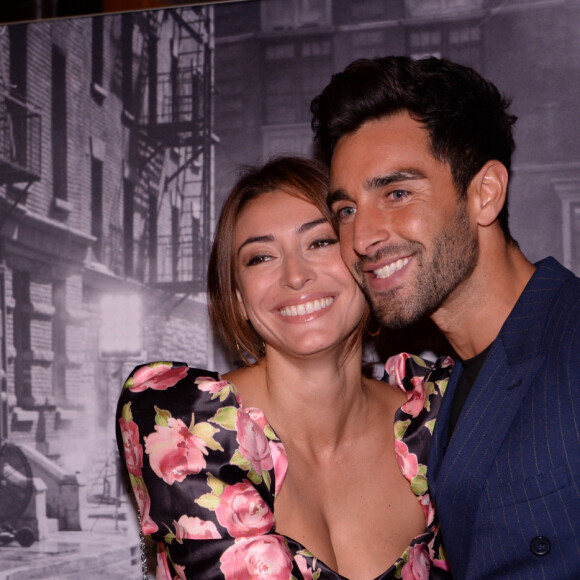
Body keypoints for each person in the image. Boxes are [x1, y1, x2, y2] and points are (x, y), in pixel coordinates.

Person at [116, 156, 453, 579]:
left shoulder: (437, 416)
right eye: (260, 258)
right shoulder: (185, 426)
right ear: (238, 298)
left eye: (320, 242)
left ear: (368, 261)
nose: (295, 275)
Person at [311, 56, 580, 579]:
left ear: (485, 194)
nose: (361, 238)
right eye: (346, 210)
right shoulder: (442, 389)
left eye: (397, 193)